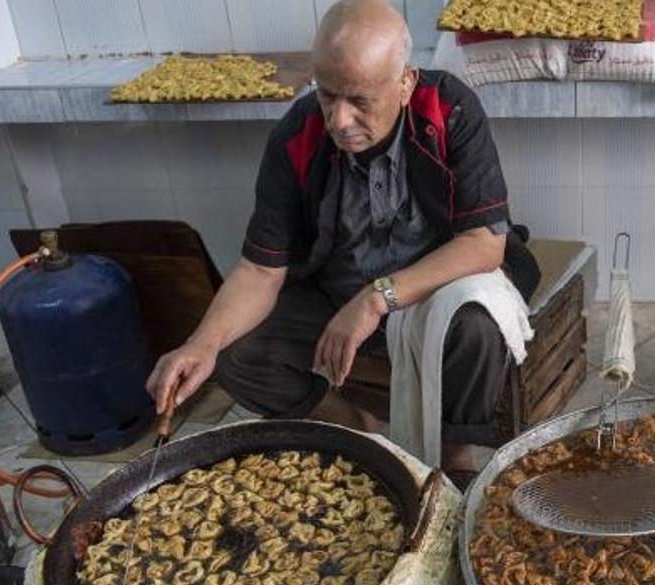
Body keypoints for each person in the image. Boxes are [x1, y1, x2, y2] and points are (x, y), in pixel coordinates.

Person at [146, 0, 537, 485]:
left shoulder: (448, 109)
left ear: (405, 83)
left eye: (359, 101)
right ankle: (357, 433)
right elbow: (260, 270)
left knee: (476, 326)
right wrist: (200, 344)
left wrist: (374, 299)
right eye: (327, 95)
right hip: (334, 295)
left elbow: (483, 244)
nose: (339, 119)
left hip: (431, 292)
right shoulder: (299, 134)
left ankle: (454, 453)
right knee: (234, 353)